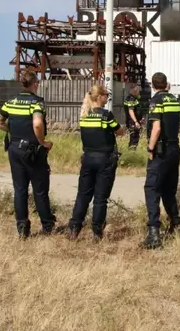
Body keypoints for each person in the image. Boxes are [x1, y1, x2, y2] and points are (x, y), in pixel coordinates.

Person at [0, 70, 56, 239]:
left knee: (20, 190)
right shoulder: (36, 103)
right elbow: (37, 123)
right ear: (34, 84)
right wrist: (43, 142)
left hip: (14, 149)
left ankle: (22, 228)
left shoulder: (10, 102)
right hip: (33, 151)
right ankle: (47, 225)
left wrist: (11, 130)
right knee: (40, 190)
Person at [68, 84, 125, 242]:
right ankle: (96, 231)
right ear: (99, 97)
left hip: (87, 158)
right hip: (104, 159)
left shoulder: (84, 115)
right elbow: (118, 131)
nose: (107, 98)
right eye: (106, 95)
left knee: (83, 195)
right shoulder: (106, 115)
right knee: (100, 198)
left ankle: (74, 227)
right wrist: (124, 129)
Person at [141, 72, 180, 249]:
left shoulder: (156, 101)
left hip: (161, 150)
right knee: (168, 190)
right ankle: (176, 225)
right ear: (166, 84)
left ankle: (153, 233)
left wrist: (150, 148)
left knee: (152, 188)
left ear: (153, 85)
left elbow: (156, 128)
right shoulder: (174, 100)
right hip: (174, 148)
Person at [123, 85, 143, 150]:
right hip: (132, 122)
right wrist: (136, 122)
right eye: (138, 90)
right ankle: (131, 153)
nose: (139, 92)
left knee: (136, 138)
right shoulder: (131, 99)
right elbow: (131, 111)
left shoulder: (135, 98)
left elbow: (137, 110)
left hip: (136, 121)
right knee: (133, 138)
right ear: (134, 91)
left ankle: (133, 152)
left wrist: (140, 119)